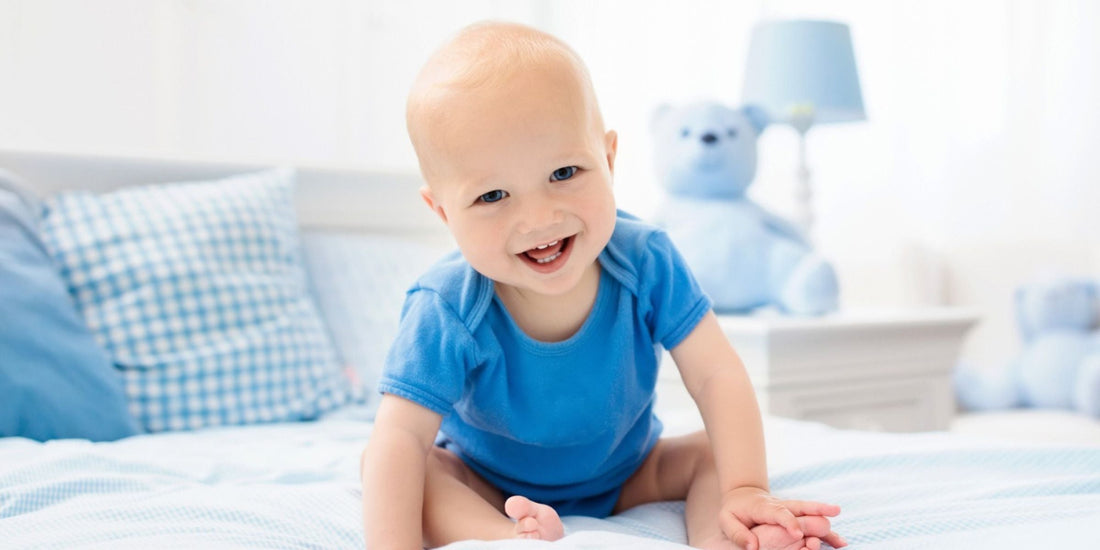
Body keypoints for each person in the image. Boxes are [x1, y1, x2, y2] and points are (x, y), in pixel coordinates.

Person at [361, 21, 846, 550]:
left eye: (565, 172)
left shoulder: (647, 259)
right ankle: (509, 537)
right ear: (442, 212)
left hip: (630, 472)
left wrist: (747, 486)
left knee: (716, 452)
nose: (540, 217)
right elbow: (402, 435)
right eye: (494, 195)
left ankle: (726, 535)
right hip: (488, 484)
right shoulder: (445, 306)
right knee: (393, 465)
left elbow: (716, 375)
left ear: (609, 160)